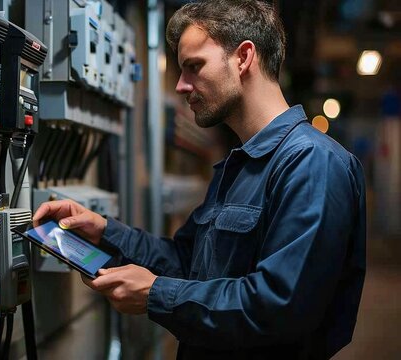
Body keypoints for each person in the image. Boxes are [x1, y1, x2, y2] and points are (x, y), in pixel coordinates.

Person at [33, 0, 366, 358]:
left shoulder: (312, 163)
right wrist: (104, 231)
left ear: (243, 58)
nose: (180, 86)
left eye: (194, 67)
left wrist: (155, 294)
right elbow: (187, 262)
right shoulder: (240, 165)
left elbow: (281, 304)